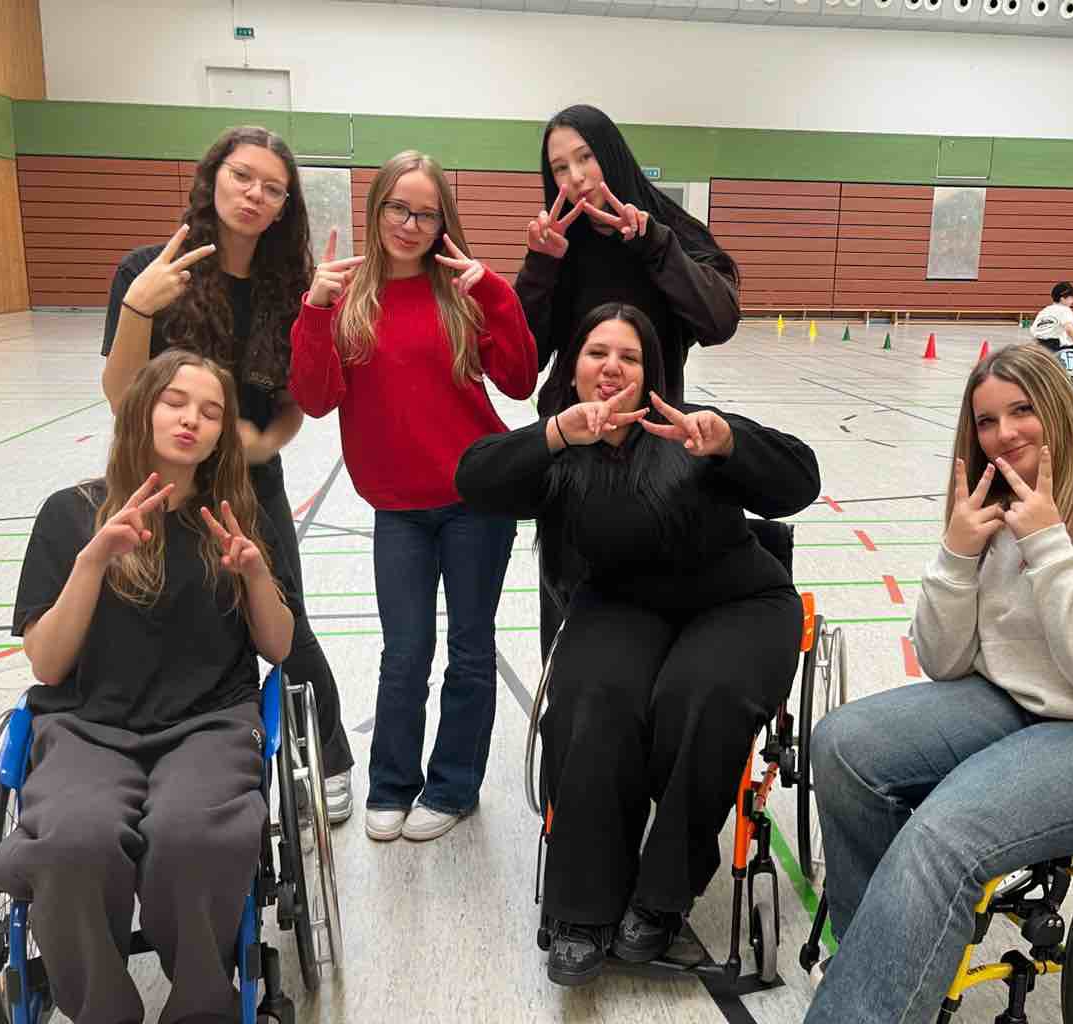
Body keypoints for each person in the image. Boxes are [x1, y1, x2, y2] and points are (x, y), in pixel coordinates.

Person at [803, 343, 1073, 1024]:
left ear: (1058, 410)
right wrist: (957, 553)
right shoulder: (997, 508)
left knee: (947, 833)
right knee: (843, 744)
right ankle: (876, 963)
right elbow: (943, 662)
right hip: (1024, 703)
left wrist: (1048, 544)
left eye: (1021, 410)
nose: (1004, 433)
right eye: (986, 420)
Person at [455, 302, 820, 987]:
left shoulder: (688, 431)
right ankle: (583, 908)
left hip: (737, 602)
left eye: (629, 356)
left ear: (651, 372)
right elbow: (473, 479)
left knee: (699, 696)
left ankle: (662, 897)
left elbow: (802, 479)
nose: (612, 367)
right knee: (593, 701)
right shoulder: (560, 449)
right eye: (597, 352)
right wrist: (555, 434)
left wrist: (730, 441)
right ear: (574, 366)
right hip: (622, 607)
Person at [0, 350, 299, 1024]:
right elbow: (47, 665)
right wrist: (93, 561)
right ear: (140, 410)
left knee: (193, 837)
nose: (191, 419)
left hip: (209, 725)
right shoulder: (69, 514)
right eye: (175, 402)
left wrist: (254, 575)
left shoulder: (235, 518)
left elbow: (278, 648)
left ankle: (201, 1007)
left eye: (211, 411)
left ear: (221, 435)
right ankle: (102, 1009)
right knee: (73, 841)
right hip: (87, 726)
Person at [98, 125, 356, 821]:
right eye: (243, 176)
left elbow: (297, 404)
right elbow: (121, 397)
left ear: (284, 207)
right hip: (158, 482)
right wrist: (138, 306)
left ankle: (330, 756)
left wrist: (264, 442)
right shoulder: (150, 269)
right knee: (158, 614)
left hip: (250, 485)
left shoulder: (290, 289)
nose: (254, 195)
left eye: (273, 188)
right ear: (213, 176)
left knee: (285, 620)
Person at [290, 150, 536, 844]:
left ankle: (453, 786)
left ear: (442, 223)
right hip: (398, 507)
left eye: (426, 214)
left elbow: (519, 380)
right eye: (399, 207)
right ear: (376, 209)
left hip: (476, 501)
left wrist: (496, 293)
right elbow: (315, 398)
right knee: (404, 651)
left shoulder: (461, 292)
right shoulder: (347, 298)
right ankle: (392, 783)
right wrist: (314, 310)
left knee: (469, 649)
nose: (410, 223)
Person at [514, 103, 744, 659]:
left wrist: (655, 246)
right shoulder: (561, 244)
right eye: (560, 168)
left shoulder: (671, 232)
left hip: (655, 457)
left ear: (611, 155)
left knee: (648, 618)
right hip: (574, 454)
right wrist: (540, 266)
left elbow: (719, 321)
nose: (576, 177)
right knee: (567, 620)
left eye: (585, 158)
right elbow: (524, 358)